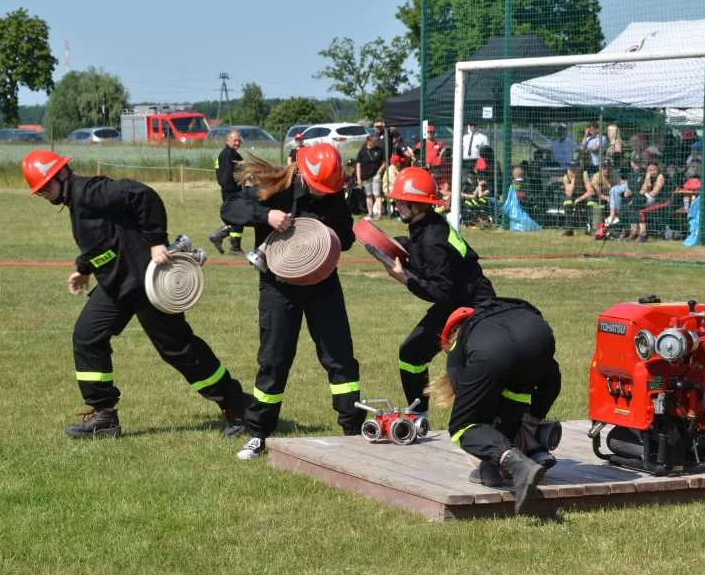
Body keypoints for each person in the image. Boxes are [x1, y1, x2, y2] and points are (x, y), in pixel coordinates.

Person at [20, 150, 249, 439]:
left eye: (45, 187)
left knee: (178, 349)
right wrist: (83, 269)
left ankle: (236, 404)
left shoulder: (91, 191)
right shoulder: (76, 201)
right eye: (39, 191)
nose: (44, 194)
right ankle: (104, 415)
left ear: (62, 174)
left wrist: (155, 241)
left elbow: (143, 195)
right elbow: (102, 240)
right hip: (116, 285)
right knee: (87, 336)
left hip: (145, 283)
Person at [222, 143, 364, 459]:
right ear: (301, 173)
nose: (324, 194)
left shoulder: (332, 193)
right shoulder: (273, 188)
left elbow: (348, 237)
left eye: (329, 190)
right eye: (319, 188)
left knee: (339, 356)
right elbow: (230, 209)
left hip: (323, 284)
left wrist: (325, 236)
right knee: (274, 359)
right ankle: (258, 433)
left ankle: (353, 430)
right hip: (279, 287)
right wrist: (266, 215)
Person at [380, 166, 496, 422]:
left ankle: (487, 421)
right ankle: (418, 412)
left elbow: (441, 290)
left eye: (402, 202)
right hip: (456, 299)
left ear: (418, 205)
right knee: (411, 353)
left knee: (466, 367)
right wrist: (397, 244)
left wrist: (405, 280)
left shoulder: (433, 239)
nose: (397, 205)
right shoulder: (427, 226)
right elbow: (421, 253)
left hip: (473, 305)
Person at [426, 299, 563, 514]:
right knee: (516, 398)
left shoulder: (459, 342)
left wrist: (489, 447)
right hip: (539, 334)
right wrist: (534, 418)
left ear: (450, 334)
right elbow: (552, 381)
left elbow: (472, 407)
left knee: (463, 426)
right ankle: (495, 467)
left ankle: (518, 465)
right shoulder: (503, 315)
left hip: (493, 349)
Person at [208, 129, 246, 255]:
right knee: (238, 218)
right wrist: (234, 191)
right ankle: (225, 241)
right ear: (228, 140)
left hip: (235, 192)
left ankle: (232, 246)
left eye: (239, 141)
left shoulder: (233, 154)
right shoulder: (227, 155)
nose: (237, 143)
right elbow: (225, 178)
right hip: (231, 193)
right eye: (235, 140)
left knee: (237, 219)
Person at [356, 134, 386, 220]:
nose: (376, 143)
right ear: (369, 141)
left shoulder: (379, 150)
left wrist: (380, 169)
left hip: (376, 174)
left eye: (376, 141)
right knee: (369, 195)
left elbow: (384, 161)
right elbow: (358, 165)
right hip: (365, 176)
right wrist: (359, 178)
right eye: (374, 142)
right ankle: (370, 213)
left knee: (377, 194)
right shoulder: (362, 151)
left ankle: (379, 213)